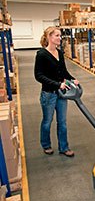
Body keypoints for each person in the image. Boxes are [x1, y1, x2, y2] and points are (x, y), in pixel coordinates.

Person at [34, 26, 79, 157]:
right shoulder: (41, 54)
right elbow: (38, 76)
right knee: (47, 121)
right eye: (57, 36)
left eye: (60, 35)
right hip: (48, 94)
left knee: (62, 122)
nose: (60, 38)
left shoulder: (59, 53)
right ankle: (46, 145)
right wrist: (57, 84)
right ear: (49, 37)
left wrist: (72, 79)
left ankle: (64, 147)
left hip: (61, 93)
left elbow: (63, 71)